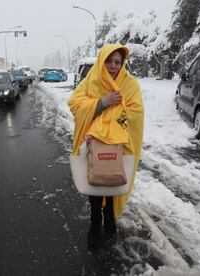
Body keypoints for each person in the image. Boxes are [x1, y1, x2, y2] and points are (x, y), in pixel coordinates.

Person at [67, 44, 144, 247]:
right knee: (95, 182)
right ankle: (95, 222)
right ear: (101, 61)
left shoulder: (130, 84)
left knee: (113, 181)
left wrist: (112, 121)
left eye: (117, 62)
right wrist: (102, 102)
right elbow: (74, 103)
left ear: (123, 63)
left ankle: (110, 221)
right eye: (109, 61)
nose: (112, 66)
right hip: (92, 143)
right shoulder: (91, 80)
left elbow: (135, 113)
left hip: (119, 143)